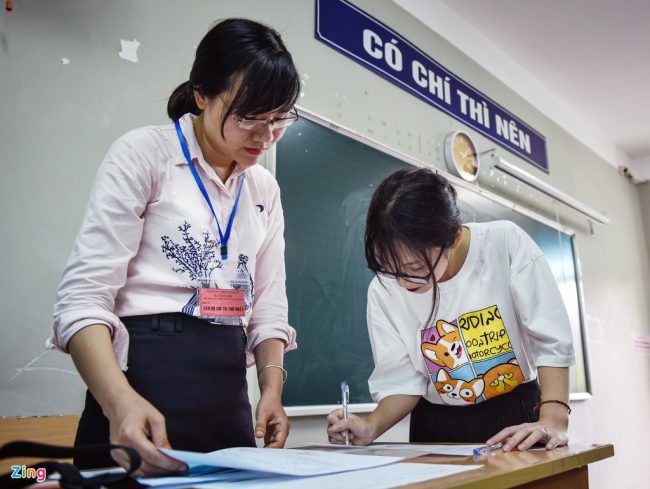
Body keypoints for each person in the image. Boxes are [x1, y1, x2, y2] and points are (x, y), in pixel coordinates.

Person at [47, 18, 301, 474]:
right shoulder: (145, 155)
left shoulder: (264, 189)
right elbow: (83, 300)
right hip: (141, 386)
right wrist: (119, 403)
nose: (265, 137)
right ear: (202, 94)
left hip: (227, 398)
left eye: (279, 119)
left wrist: (270, 391)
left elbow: (268, 308)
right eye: (248, 117)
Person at [327, 168, 574, 451]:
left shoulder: (504, 243)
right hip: (435, 424)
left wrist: (553, 420)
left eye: (415, 268)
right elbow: (403, 381)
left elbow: (550, 341)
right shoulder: (383, 289)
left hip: (515, 415)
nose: (402, 282)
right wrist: (371, 426)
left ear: (454, 238)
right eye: (388, 266)